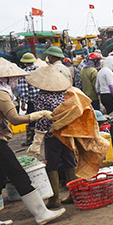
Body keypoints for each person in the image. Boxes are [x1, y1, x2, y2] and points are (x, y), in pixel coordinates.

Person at [0, 58, 66, 225]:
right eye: (14, 79)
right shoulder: (0, 95)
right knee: (19, 176)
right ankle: (41, 214)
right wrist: (38, 114)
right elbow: (15, 120)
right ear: (6, 80)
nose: (16, 82)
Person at [26, 65, 77, 208]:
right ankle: (75, 194)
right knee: (70, 160)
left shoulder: (41, 97)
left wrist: (38, 139)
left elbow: (41, 119)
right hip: (67, 132)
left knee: (52, 164)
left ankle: (54, 198)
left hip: (52, 136)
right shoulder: (65, 94)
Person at [16, 52, 40, 146]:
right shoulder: (40, 70)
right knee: (42, 117)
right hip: (42, 98)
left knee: (31, 119)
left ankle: (31, 140)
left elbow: (24, 90)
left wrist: (23, 102)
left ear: (24, 62)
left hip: (32, 101)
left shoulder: (24, 73)